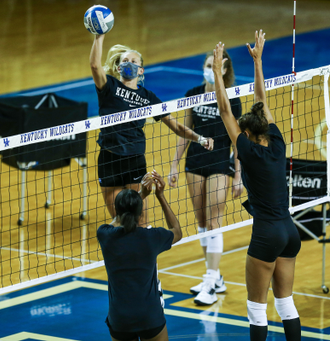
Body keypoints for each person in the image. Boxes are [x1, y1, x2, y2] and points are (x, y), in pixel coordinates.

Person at [211, 31, 302, 341]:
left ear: (248, 135)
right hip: (290, 232)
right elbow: (261, 103)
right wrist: (258, 62)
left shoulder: (247, 151)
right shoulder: (277, 143)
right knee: (286, 302)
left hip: (266, 234)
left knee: (257, 309)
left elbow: (225, 111)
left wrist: (216, 76)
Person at [90, 34, 214, 221]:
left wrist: (200, 138)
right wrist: (99, 37)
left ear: (140, 71)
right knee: (119, 221)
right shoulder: (109, 87)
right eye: (125, 60)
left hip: (134, 160)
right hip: (109, 160)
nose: (129, 63)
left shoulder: (148, 98)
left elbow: (177, 127)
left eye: (133, 61)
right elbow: (94, 66)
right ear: (118, 67)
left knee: (140, 221)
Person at [167, 50, 243, 306]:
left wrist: (239, 175)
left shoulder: (232, 98)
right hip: (195, 163)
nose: (211, 69)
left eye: (216, 66)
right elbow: (184, 132)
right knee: (200, 221)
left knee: (214, 221)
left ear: (224, 71)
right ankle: (216, 277)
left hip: (221, 163)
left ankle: (210, 281)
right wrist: (175, 165)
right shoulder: (192, 94)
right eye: (208, 64)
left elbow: (238, 140)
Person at [97, 170, 181, 341]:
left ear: (117, 212)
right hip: (149, 316)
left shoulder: (105, 235)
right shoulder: (152, 237)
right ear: (140, 213)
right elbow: (177, 231)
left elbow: (116, 222)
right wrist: (160, 196)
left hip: (120, 319)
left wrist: (140, 196)